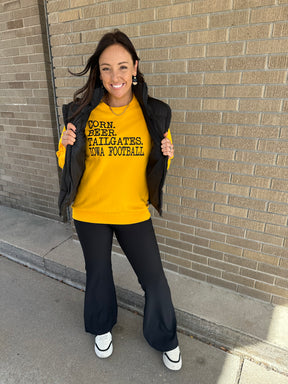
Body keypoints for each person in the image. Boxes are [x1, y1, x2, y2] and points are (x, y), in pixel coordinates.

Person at [56, 30, 182, 371]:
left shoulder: (154, 114)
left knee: (154, 278)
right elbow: (66, 163)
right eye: (107, 68)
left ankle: (164, 336)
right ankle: (101, 327)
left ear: (135, 68)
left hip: (132, 210)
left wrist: (169, 154)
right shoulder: (81, 112)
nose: (116, 76)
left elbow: (160, 161)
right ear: (98, 71)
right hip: (91, 210)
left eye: (123, 67)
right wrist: (65, 146)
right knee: (99, 274)